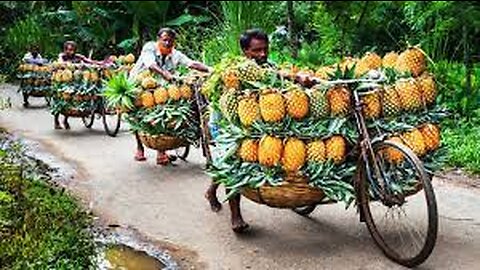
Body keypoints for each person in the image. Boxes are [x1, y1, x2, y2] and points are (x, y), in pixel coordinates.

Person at [205, 29, 313, 233]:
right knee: (232, 161)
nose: (263, 54)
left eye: (265, 49)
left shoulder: (268, 65)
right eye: (257, 50)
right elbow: (266, 76)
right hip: (225, 123)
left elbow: (277, 80)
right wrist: (294, 76)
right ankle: (235, 215)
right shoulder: (239, 69)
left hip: (250, 121)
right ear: (245, 51)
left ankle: (211, 191)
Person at [129, 27, 212, 165]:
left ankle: (161, 152)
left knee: (162, 112)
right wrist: (165, 74)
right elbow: (151, 65)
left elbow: (191, 63)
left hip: (161, 85)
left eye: (170, 41)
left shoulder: (175, 54)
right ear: (158, 40)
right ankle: (140, 147)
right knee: (138, 114)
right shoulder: (149, 48)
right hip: (140, 82)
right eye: (165, 40)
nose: (167, 43)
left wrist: (210, 69)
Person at [54, 41, 104, 129]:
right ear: (65, 50)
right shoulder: (61, 56)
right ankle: (56, 121)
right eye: (68, 50)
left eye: (72, 50)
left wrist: (100, 63)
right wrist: (65, 65)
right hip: (64, 81)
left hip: (77, 81)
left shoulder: (79, 57)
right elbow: (60, 63)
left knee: (74, 98)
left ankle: (65, 120)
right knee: (61, 99)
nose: (71, 52)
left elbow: (89, 61)